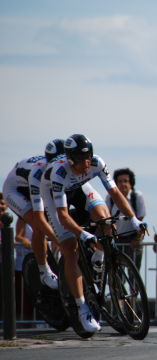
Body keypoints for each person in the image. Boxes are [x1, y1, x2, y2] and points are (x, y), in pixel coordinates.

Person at [40, 134, 146, 334]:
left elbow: (115, 194)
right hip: (56, 196)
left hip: (79, 187)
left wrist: (134, 219)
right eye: (81, 160)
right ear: (70, 159)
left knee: (104, 217)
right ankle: (82, 308)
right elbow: (62, 215)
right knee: (70, 248)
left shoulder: (96, 163)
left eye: (89, 158)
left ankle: (100, 257)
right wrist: (82, 234)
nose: (87, 164)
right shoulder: (59, 172)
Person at [2, 139, 65, 290]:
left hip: (32, 186)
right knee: (39, 226)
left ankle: (56, 259)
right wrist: (62, 241)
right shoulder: (37, 172)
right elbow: (39, 217)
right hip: (15, 190)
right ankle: (44, 272)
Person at [106, 168, 146, 270]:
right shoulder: (110, 197)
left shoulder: (137, 197)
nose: (123, 184)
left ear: (131, 183)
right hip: (117, 240)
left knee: (134, 275)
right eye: (119, 181)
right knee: (117, 274)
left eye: (126, 181)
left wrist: (137, 239)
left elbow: (140, 218)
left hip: (134, 240)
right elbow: (107, 216)